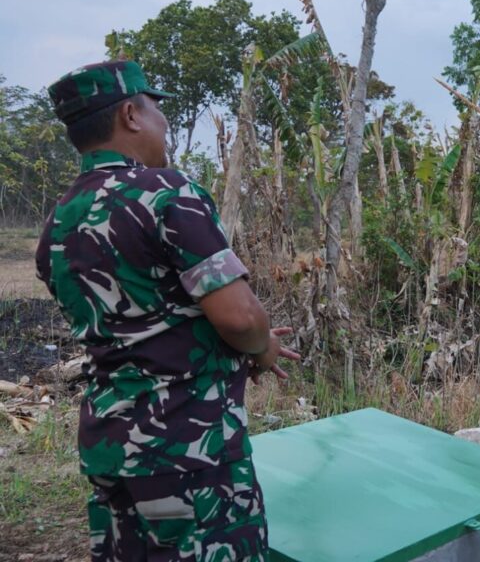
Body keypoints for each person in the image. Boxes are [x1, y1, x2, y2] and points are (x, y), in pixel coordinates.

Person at [35, 60, 298, 561]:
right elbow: (240, 317)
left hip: (108, 445)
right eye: (157, 109)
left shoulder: (60, 218)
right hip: (187, 447)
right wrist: (264, 348)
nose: (163, 123)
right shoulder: (164, 192)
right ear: (131, 114)